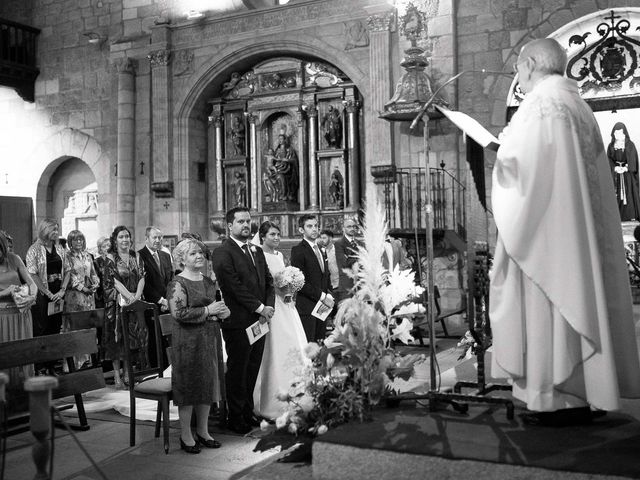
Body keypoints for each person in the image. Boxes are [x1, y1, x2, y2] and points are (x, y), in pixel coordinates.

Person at [490, 38, 640, 426]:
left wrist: (499, 152)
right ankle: (586, 391)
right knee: (580, 301)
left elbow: (527, 168)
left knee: (551, 307)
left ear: (533, 63)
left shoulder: (541, 105)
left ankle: (554, 397)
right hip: (577, 237)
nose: (518, 78)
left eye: (519, 69)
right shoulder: (579, 106)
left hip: (548, 238)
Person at [212, 207, 275, 434]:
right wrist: (259, 307)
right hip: (238, 322)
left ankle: (248, 413)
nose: (246, 225)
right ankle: (235, 417)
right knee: (238, 372)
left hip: (259, 321)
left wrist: (268, 308)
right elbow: (232, 286)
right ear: (230, 226)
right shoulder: (222, 252)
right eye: (240, 222)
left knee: (252, 369)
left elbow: (268, 281)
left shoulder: (256, 251)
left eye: (248, 221)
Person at [167, 238, 229, 453]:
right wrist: (208, 311)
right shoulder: (178, 283)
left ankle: (203, 431)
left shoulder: (208, 280)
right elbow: (179, 313)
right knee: (190, 386)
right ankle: (185, 434)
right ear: (182, 259)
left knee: (207, 384)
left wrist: (222, 312)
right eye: (193, 253)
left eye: (201, 252)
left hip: (209, 338)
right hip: (187, 341)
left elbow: (213, 306)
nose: (199, 256)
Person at [253, 221, 308, 420]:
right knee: (276, 346)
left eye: (278, 234)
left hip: (286, 304)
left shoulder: (279, 255)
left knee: (294, 342)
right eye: (272, 234)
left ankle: (298, 391)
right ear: (262, 237)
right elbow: (266, 283)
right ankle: (270, 399)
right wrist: (279, 289)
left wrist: (291, 286)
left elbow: (283, 277)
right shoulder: (260, 255)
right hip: (271, 304)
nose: (276, 238)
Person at [102, 225, 145, 390]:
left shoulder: (137, 256)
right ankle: (116, 375)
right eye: (121, 237)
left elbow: (142, 276)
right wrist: (128, 296)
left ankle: (127, 373)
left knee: (131, 338)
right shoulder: (111, 257)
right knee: (117, 339)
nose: (125, 239)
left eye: (127, 236)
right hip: (117, 305)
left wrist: (137, 296)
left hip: (134, 302)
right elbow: (113, 281)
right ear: (115, 240)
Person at [26, 218, 68, 374]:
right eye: (53, 229)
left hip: (58, 294)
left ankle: (52, 366)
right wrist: (48, 293)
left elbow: (68, 270)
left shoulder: (59, 248)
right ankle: (40, 367)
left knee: (55, 329)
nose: (56, 232)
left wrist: (62, 290)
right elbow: (33, 274)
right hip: (43, 295)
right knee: (42, 329)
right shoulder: (34, 249)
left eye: (57, 229)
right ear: (44, 230)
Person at [0, 231, 37, 385]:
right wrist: (5, 292)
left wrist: (32, 296)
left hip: (21, 313)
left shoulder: (14, 259)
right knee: (5, 356)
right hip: (2, 317)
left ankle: (24, 390)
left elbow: (31, 283)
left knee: (24, 354)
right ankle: (6, 394)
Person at [290, 214, 334, 342]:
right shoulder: (298, 250)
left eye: (316, 226)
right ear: (301, 230)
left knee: (320, 341)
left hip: (323, 305)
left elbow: (326, 275)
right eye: (310, 226)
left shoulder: (321, 248)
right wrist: (322, 296)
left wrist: (329, 294)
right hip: (308, 305)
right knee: (309, 344)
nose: (314, 229)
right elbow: (300, 282)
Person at [138, 226, 174, 368]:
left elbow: (170, 278)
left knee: (167, 336)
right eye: (155, 237)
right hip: (151, 303)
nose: (158, 240)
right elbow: (144, 283)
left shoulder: (165, 255)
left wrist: (169, 299)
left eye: (160, 237)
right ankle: (156, 367)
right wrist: (160, 300)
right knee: (155, 336)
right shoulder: (140, 255)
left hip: (167, 302)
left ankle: (168, 366)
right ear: (146, 238)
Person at [607, 122, 640, 221]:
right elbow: (609, 159)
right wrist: (615, 168)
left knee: (629, 193)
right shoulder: (611, 146)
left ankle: (631, 216)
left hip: (627, 174)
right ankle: (617, 217)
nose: (618, 135)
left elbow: (633, 159)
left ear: (624, 133)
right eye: (616, 133)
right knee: (616, 194)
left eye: (620, 133)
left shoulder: (630, 145)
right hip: (616, 174)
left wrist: (626, 168)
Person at [333, 218, 360, 304]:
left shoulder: (360, 243)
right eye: (349, 227)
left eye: (354, 226)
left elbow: (365, 262)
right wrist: (359, 258)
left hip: (360, 285)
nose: (352, 229)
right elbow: (344, 263)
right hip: (346, 285)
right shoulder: (339, 244)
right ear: (343, 229)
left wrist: (350, 257)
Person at [93, 236, 110, 309]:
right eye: (104, 246)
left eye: (109, 246)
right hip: (101, 296)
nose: (107, 248)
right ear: (100, 249)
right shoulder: (96, 262)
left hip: (114, 295)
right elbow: (95, 280)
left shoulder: (115, 261)